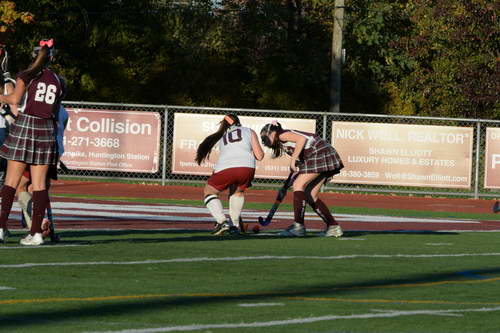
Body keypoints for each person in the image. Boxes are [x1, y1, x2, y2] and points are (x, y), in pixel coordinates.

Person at [0, 39, 65, 245]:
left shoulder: (25, 75)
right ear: (52, 56)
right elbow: (54, 110)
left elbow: (14, 100)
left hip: (26, 126)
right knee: (39, 186)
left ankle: (1, 229)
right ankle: (36, 233)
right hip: (46, 129)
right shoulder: (60, 80)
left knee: (11, 182)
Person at [260, 121, 344, 237]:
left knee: (298, 185)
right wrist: (290, 179)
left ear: (273, 132)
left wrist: (292, 160)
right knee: (310, 195)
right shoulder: (283, 143)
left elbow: (301, 140)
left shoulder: (282, 134)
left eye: (266, 134)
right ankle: (333, 226)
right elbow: (301, 162)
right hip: (321, 152)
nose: (265, 138)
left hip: (319, 152)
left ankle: (298, 226)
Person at [195, 114, 264, 235]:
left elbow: (226, 158)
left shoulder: (223, 137)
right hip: (247, 166)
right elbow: (260, 156)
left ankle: (222, 222)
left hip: (226, 167)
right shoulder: (249, 131)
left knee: (209, 191)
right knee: (237, 192)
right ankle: (235, 225)